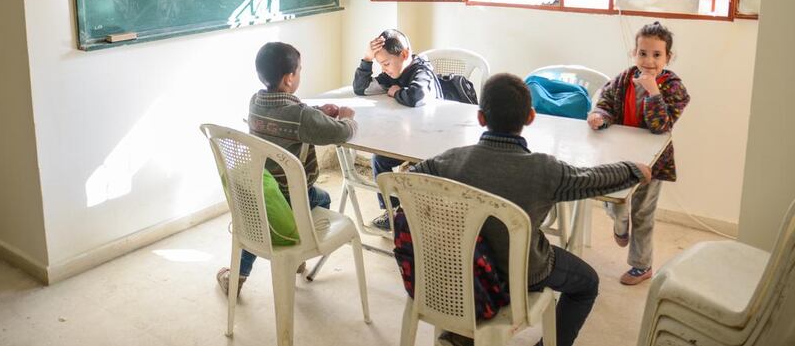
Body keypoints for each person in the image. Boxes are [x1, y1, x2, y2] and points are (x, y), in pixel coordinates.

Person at [411, 73, 652, 346]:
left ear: (481, 118)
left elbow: (411, 178)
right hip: (523, 273)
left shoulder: (451, 159)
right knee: (588, 283)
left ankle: (461, 336)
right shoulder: (545, 170)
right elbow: (592, 179)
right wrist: (631, 169)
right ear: (530, 117)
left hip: (458, 267)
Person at [216, 42, 358, 295]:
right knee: (322, 198)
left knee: (256, 220)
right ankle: (299, 249)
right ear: (289, 78)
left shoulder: (255, 102)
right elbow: (340, 132)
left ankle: (237, 276)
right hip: (292, 196)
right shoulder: (301, 116)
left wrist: (318, 111)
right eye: (299, 70)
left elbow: (291, 117)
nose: (300, 74)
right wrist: (347, 116)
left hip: (262, 189)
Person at [587, 21, 690, 286]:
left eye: (657, 55)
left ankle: (641, 266)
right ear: (634, 53)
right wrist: (600, 116)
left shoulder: (673, 88)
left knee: (643, 214)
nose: (649, 60)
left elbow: (661, 126)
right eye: (643, 53)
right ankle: (620, 225)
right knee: (615, 201)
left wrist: (653, 92)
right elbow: (606, 103)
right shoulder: (623, 78)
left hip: (652, 164)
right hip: (619, 157)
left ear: (669, 57)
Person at [353, 29, 441, 230]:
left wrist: (398, 92)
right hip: (408, 140)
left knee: (416, 172)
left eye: (385, 64)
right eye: (380, 65)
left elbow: (417, 96)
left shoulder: (421, 70)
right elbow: (362, 89)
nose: (383, 70)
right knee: (380, 159)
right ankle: (390, 211)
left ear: (404, 54)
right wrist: (366, 59)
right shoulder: (392, 73)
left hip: (431, 142)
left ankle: (424, 218)